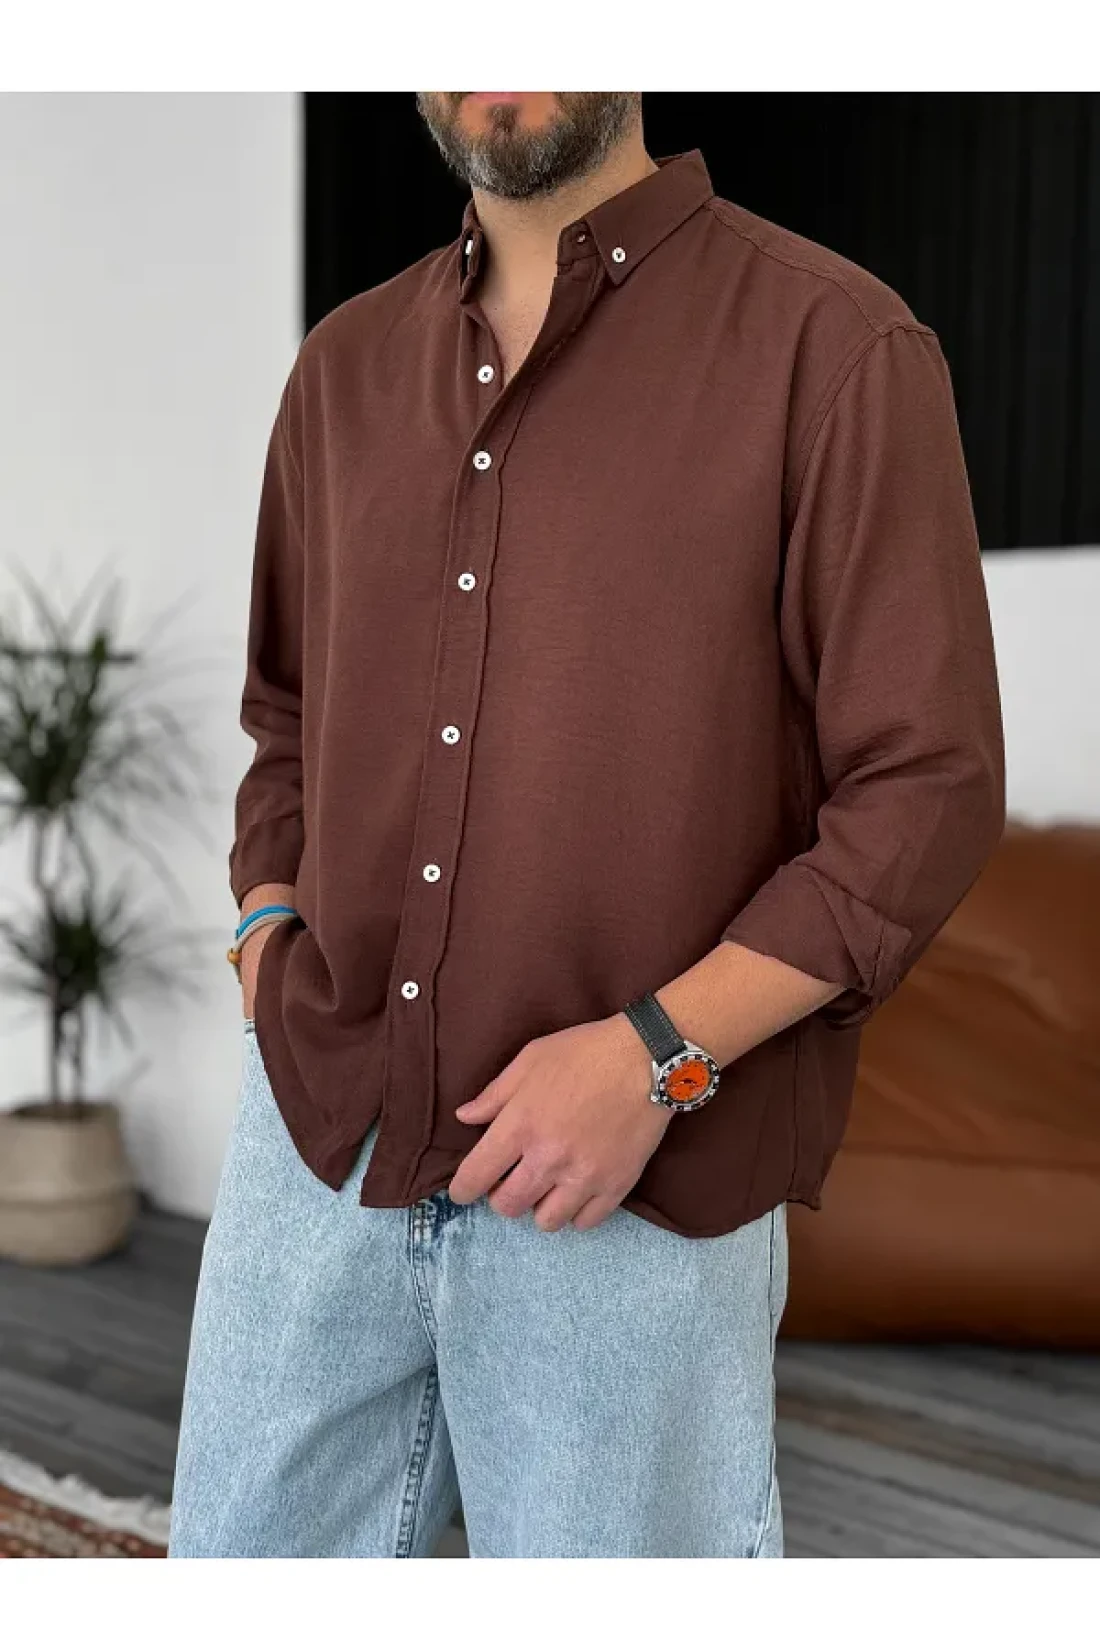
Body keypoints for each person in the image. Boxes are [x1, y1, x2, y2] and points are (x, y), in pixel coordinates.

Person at [168, 92, 1004, 1559]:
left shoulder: (836, 347)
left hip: (635, 1186)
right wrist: (265, 933)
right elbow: (284, 716)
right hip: (320, 1141)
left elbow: (924, 786)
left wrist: (658, 1057)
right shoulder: (341, 370)